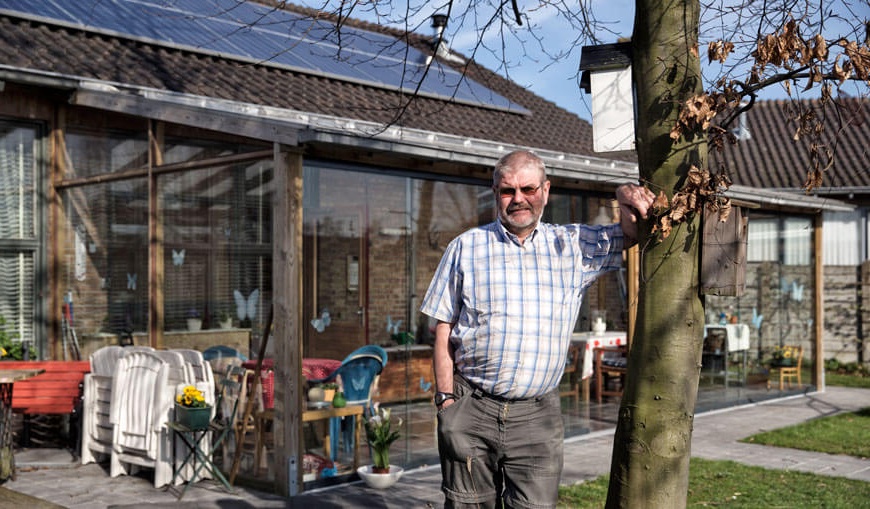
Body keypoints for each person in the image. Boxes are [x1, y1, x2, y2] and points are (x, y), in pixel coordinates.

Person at [419, 150, 655, 509]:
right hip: (471, 408)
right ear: (495, 191)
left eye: (528, 189)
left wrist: (623, 193)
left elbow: (633, 232)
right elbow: (442, 328)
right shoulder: (465, 248)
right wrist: (446, 400)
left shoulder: (573, 246)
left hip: (536, 418)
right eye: (507, 191)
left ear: (546, 191)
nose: (518, 200)